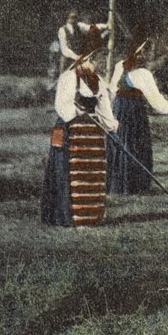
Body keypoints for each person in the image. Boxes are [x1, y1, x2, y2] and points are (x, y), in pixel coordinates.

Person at [43, 27, 118, 227]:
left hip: (92, 137)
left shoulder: (99, 82)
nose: (102, 62)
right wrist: (77, 111)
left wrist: (111, 127)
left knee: (91, 176)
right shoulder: (69, 77)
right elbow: (61, 105)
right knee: (70, 174)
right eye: (100, 58)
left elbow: (105, 110)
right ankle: (70, 216)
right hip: (71, 133)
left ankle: (91, 215)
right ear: (89, 57)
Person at [108, 27, 168, 195]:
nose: (147, 55)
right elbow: (156, 100)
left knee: (122, 144)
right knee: (135, 145)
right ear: (140, 53)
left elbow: (112, 90)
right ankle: (134, 186)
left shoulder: (119, 66)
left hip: (119, 110)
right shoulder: (143, 73)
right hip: (133, 112)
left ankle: (119, 186)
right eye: (146, 51)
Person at [56, 11, 107, 76]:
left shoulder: (79, 26)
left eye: (75, 17)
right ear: (67, 18)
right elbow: (64, 49)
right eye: (72, 17)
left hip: (80, 58)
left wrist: (105, 26)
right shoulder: (62, 30)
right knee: (65, 79)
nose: (73, 20)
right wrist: (75, 56)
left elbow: (91, 28)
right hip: (68, 60)